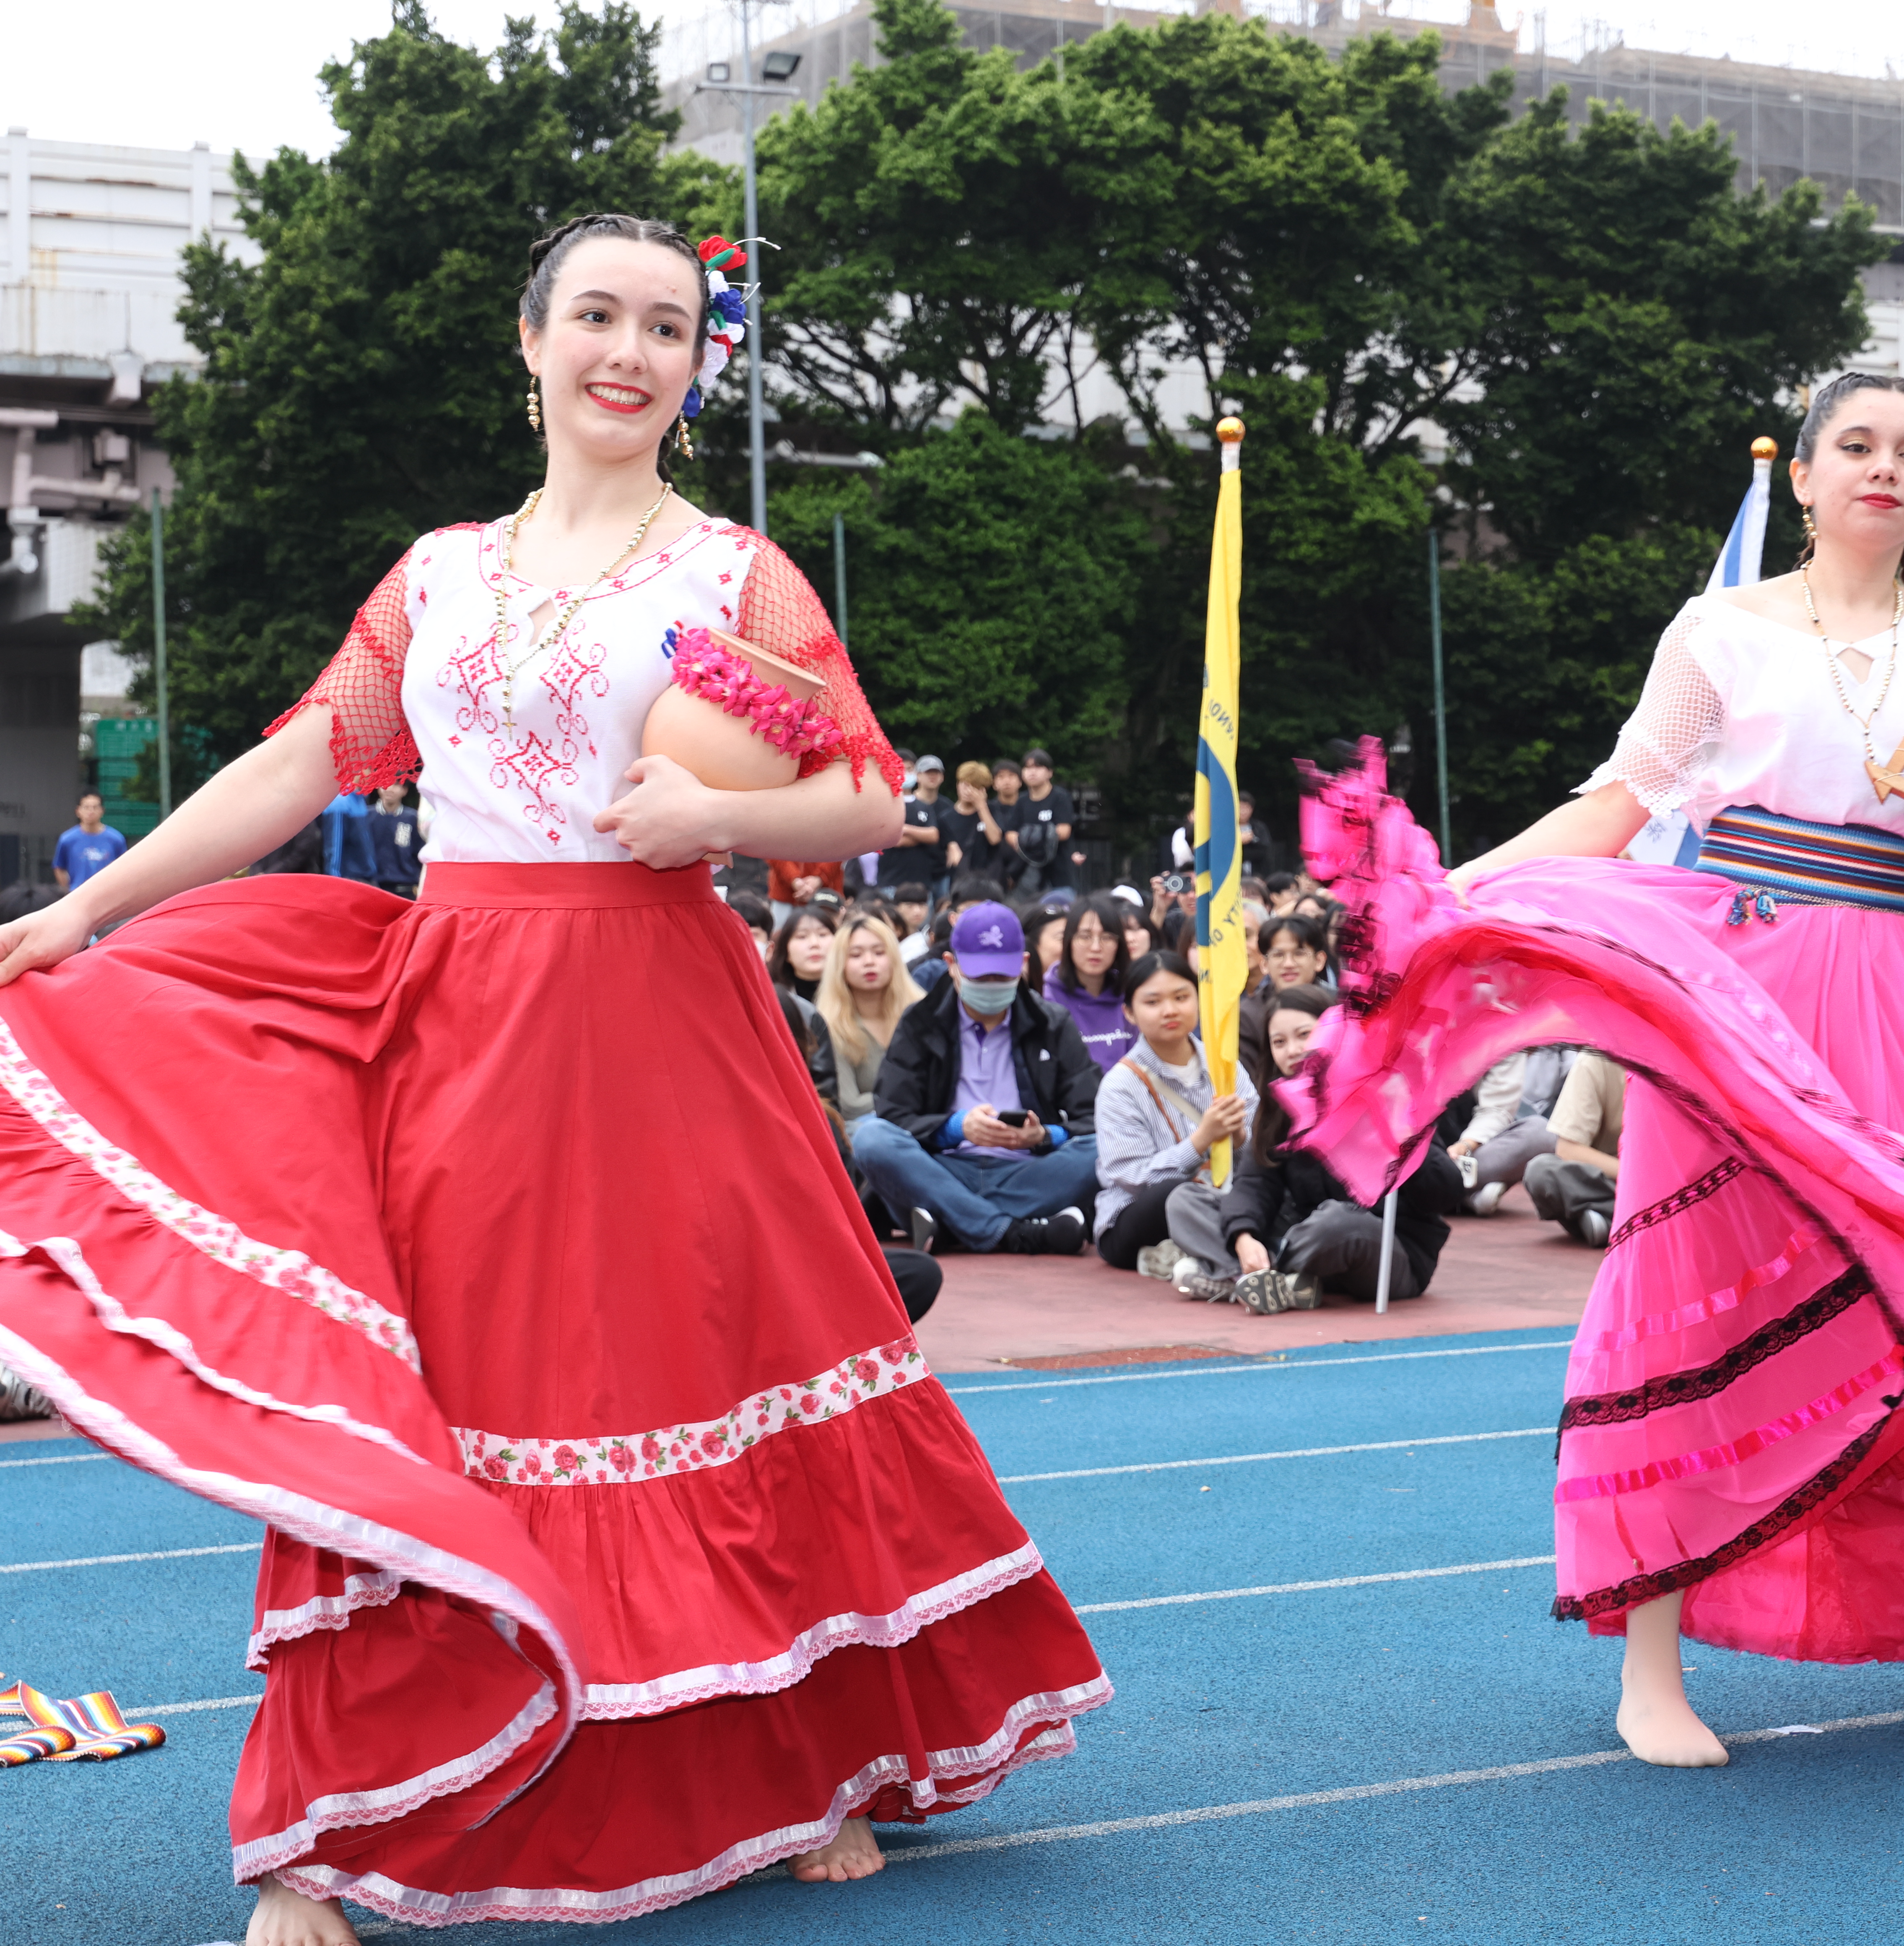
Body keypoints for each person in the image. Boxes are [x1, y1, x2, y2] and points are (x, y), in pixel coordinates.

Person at [0, 213, 1107, 1943]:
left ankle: (802, 1751)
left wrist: (725, 816)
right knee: (455, 1393)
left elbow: (874, 796)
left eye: (668, 326)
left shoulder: (734, 573)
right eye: (597, 314)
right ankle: (330, 1831)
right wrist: (81, 907)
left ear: (695, 363)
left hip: (668, 1013)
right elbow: (305, 757)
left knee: (726, 1364)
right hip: (463, 1017)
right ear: (530, 345)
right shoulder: (436, 574)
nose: (630, 349)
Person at [1279, 371, 1904, 1768]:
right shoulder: (1722, 631)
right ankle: (1651, 1658)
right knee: (1691, 1299)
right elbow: (1619, 808)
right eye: (1855, 447)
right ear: (1803, 478)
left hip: (1902, 987)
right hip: (1736, 995)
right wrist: (1444, 893)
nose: (1884, 469)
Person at [1192, 985, 1464, 1313]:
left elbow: (1447, 1192)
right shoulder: (1281, 1108)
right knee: (1187, 1201)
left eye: (1304, 1035)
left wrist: (1400, 1139)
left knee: (1338, 1224)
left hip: (1385, 1251)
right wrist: (1244, 1237)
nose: (1293, 1050)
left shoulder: (1386, 1095)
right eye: (1279, 1042)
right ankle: (1274, 1280)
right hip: (1303, 1238)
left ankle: (1242, 1276)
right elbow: (1256, 1183)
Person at [852, 901, 1102, 1255]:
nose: (991, 986)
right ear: (951, 966)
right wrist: (956, 1128)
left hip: (1028, 1169)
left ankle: (954, 1221)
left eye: (1001, 976)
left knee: (1102, 1148)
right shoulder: (920, 1022)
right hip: (945, 1166)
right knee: (872, 1138)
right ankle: (1011, 1231)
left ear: (1024, 965)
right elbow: (894, 1113)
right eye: (979, 977)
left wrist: (1044, 1136)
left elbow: (1094, 1117)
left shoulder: (1053, 1023)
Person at [1090, 952, 1255, 1272]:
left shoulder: (1224, 1065)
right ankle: (1227, 1263)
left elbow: (1258, 1153)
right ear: (1129, 1013)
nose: (1170, 1011)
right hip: (1140, 1214)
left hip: (1221, 1199)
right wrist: (1201, 1141)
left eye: (1181, 998)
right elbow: (1133, 1179)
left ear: (1198, 1000)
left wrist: (1240, 1137)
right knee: (1176, 1192)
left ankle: (1208, 1260)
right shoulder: (1120, 1085)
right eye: (1153, 1003)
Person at [816, 908, 924, 1122]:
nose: (869, 962)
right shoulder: (830, 1025)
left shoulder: (922, 1013)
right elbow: (850, 1107)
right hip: (870, 1133)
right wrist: (914, 1099)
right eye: (856, 955)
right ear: (840, 965)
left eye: (879, 953)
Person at [1452, 1045, 1577, 1216]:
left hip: (1472, 1148)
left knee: (1542, 1134)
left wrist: (1466, 1145)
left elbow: (1496, 1111)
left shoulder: (1506, 1033)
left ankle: (1454, 1187)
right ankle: (1465, 1194)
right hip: (1418, 1146)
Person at [1522, 1050, 1626, 1247]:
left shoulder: (1683, 1059)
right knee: (1542, 1171)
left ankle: (1605, 1218)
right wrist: (1633, 1176)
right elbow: (1569, 1150)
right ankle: (1619, 1216)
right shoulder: (1597, 1059)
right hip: (1611, 1180)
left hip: (1670, 1185)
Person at [1046, 898, 1135, 1070]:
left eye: (1107, 937)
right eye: (1085, 937)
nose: (1096, 947)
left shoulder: (1132, 995)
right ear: (1068, 941)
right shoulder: (1049, 1000)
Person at [878, 754, 951, 899]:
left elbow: (933, 836)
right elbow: (893, 841)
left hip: (922, 882)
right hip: (891, 881)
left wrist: (905, 829)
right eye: (900, 769)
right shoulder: (884, 804)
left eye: (909, 769)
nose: (904, 773)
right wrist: (921, 837)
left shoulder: (923, 806)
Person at [1009, 749, 1074, 896]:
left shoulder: (1060, 797)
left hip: (1059, 875)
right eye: (1028, 768)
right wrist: (1022, 842)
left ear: (1050, 773)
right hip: (1027, 878)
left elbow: (1064, 831)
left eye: (1038, 767)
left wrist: (1034, 837)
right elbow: (1010, 833)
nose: (1032, 772)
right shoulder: (1022, 801)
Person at [938, 758, 1004, 880]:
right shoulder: (946, 818)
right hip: (960, 880)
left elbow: (995, 839)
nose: (969, 791)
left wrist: (981, 806)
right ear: (958, 785)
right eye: (966, 785)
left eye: (976, 787)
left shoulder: (992, 810)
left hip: (990, 878)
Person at [51, 791, 126, 892]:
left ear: (102, 811)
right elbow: (59, 867)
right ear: (78, 811)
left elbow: (124, 868)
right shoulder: (67, 840)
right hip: (77, 895)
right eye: (86, 807)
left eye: (95, 807)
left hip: (107, 895)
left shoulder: (116, 839)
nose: (91, 812)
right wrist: (68, 891)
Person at [360, 783, 421, 896]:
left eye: (397, 785)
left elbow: (420, 853)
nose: (390, 789)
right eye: (386, 784)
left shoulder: (413, 818)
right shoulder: (365, 816)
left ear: (405, 791)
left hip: (405, 887)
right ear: (378, 787)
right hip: (372, 886)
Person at [770, 902, 834, 1005]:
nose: (815, 944)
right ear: (786, 950)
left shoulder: (857, 993)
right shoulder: (773, 998)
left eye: (823, 935)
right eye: (802, 937)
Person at [319, 790, 379, 882]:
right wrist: (334, 882)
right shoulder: (340, 801)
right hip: (349, 880)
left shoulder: (360, 798)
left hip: (365, 879)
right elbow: (334, 848)